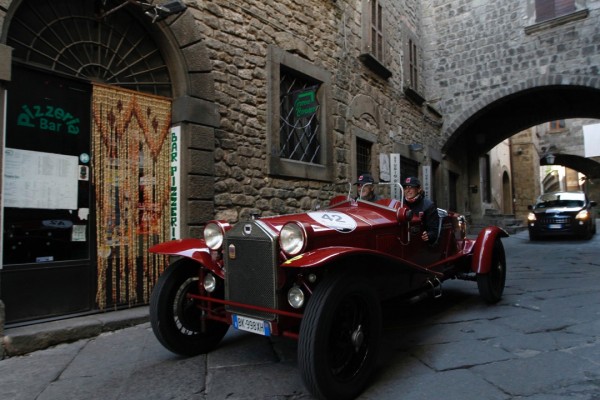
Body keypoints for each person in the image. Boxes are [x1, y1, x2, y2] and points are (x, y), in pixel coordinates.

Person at [403, 176, 440, 243]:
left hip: (420, 242)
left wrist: (428, 235)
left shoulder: (428, 206)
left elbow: (434, 230)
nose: (408, 190)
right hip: (404, 239)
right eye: (405, 188)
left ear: (419, 189)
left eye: (411, 187)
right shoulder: (400, 203)